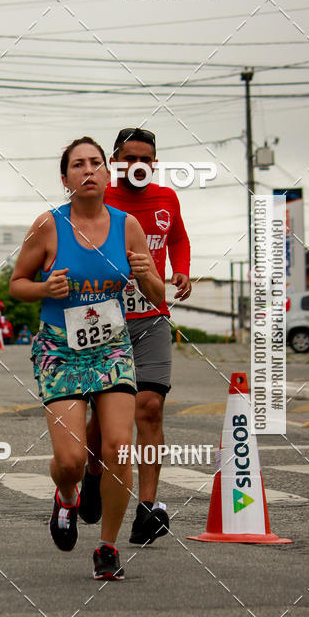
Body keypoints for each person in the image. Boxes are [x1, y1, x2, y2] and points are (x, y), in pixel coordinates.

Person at [10, 136, 164, 580]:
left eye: (96, 163)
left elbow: (156, 295)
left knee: (118, 446)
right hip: (60, 348)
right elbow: (16, 283)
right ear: (66, 179)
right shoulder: (48, 226)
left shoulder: (127, 226)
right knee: (73, 460)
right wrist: (44, 289)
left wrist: (146, 275)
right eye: (79, 165)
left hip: (111, 346)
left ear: (107, 171)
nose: (89, 170)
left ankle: (108, 546)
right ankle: (66, 495)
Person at [82, 127, 191, 545]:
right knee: (101, 419)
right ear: (115, 162)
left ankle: (146, 508)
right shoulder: (98, 199)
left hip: (152, 317)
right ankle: (93, 474)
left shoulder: (167, 199)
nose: (139, 166)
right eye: (130, 158)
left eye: (146, 159)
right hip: (103, 318)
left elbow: (177, 237)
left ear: (154, 163)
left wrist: (180, 268)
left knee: (149, 407)